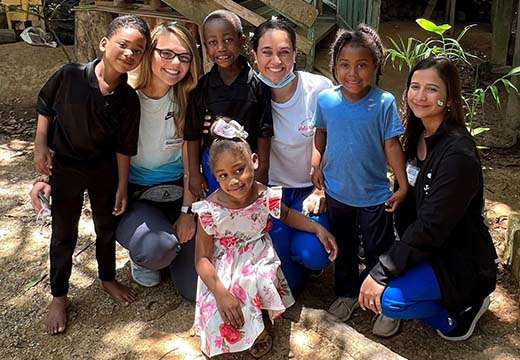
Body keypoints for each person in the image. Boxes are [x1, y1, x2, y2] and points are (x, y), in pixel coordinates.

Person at [359, 56, 498, 341]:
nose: (420, 96)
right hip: (426, 247)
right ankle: (425, 292)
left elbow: (432, 227)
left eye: (432, 89)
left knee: (387, 299)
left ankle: (462, 310)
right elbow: (410, 190)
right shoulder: (419, 133)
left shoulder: (458, 154)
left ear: (448, 98)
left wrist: (383, 271)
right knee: (369, 282)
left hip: (457, 257)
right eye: (414, 86)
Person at [33, 15, 150, 335]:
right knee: (63, 232)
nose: (129, 53)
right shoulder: (69, 75)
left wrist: (122, 185)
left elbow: (124, 147)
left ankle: (107, 278)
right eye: (122, 45)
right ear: (104, 44)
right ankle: (58, 295)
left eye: (138, 50)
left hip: (103, 170)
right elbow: (45, 104)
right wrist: (40, 144)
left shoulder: (128, 99)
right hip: (66, 166)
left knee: (106, 227)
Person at [192, 119, 337, 358]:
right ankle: (241, 317)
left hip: (257, 258)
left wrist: (317, 229)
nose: (234, 181)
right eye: (224, 175)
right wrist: (220, 292)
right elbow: (202, 259)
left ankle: (260, 327)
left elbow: (289, 215)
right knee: (224, 311)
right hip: (223, 264)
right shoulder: (209, 210)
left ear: (254, 161)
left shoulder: (264, 195)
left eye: (239, 169)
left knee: (250, 281)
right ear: (216, 178)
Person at [312, 24, 409, 337]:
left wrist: (402, 184)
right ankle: (348, 294)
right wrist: (315, 166)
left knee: (379, 249)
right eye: (344, 65)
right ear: (335, 66)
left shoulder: (384, 103)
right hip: (338, 194)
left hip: (374, 196)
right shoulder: (326, 100)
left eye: (362, 65)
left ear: (376, 65)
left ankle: (382, 301)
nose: (352, 73)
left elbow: (392, 144)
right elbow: (321, 133)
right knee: (344, 247)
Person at [114, 21, 201, 300]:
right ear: (150, 52)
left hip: (179, 194)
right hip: (138, 195)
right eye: (166, 53)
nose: (175, 63)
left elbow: (192, 163)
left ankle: (174, 246)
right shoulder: (124, 96)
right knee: (156, 249)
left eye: (184, 57)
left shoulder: (188, 98)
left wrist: (188, 213)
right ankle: (152, 252)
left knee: (195, 291)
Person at [250, 18, 334, 291]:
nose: (276, 61)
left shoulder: (319, 90)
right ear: (254, 55)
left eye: (284, 52)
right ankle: (291, 257)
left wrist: (322, 191)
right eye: (267, 52)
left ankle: (306, 255)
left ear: (296, 55)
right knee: (289, 283)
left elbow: (337, 143)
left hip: (312, 191)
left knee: (313, 253)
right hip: (274, 194)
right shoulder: (247, 96)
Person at [184, 9, 273, 198]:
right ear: (205, 48)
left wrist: (263, 168)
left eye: (228, 40)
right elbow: (192, 135)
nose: (221, 48)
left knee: (247, 210)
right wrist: (194, 173)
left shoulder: (258, 86)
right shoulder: (201, 89)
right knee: (219, 211)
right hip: (213, 163)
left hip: (247, 162)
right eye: (213, 42)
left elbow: (264, 131)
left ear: (242, 41)